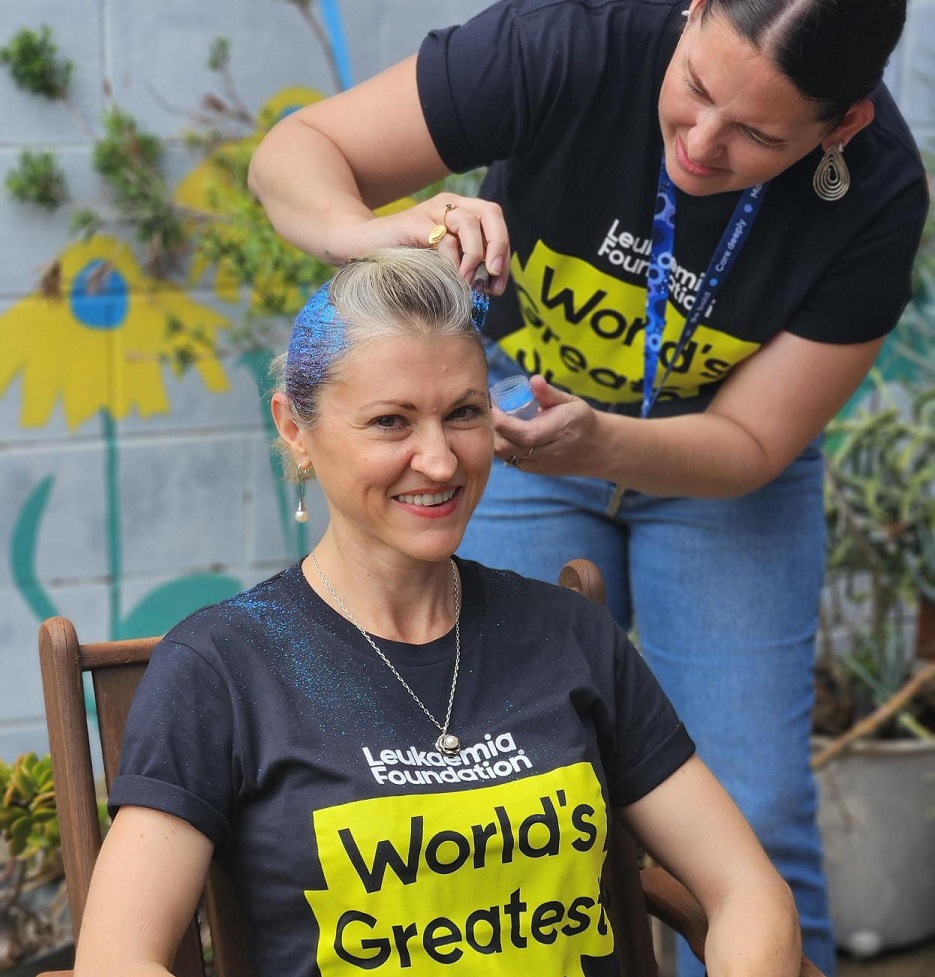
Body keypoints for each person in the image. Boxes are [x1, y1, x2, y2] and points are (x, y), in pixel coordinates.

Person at [246, 2, 929, 974]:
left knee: (755, 814)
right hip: (514, 425)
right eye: (695, 89)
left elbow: (749, 442)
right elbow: (291, 156)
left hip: (714, 468)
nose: (700, 143)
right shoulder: (572, 42)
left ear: (841, 126)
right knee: (488, 784)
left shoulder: (878, 191)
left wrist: (603, 442)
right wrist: (373, 231)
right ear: (692, 10)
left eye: (755, 134)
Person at [74, 247, 802, 977]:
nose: (441, 460)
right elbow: (115, 958)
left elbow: (746, 888)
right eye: (391, 421)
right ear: (295, 428)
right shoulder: (224, 667)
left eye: (463, 414)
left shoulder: (568, 635)